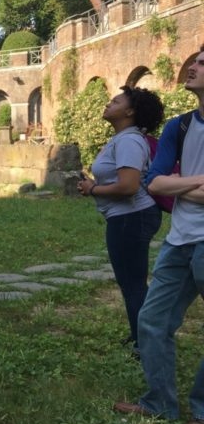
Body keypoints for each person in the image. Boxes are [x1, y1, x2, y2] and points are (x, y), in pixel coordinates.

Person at [113, 46, 204, 424]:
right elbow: (154, 183)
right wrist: (198, 182)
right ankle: (160, 403)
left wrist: (178, 184)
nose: (193, 66)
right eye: (195, 60)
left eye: (202, 63)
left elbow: (168, 182)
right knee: (151, 319)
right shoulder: (179, 127)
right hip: (179, 239)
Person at [77, 86, 164, 352]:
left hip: (132, 217)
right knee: (131, 282)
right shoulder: (124, 138)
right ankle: (140, 334)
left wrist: (93, 189)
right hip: (128, 217)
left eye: (115, 101)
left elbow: (128, 186)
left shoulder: (128, 140)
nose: (108, 103)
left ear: (130, 111)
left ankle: (145, 344)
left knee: (133, 284)